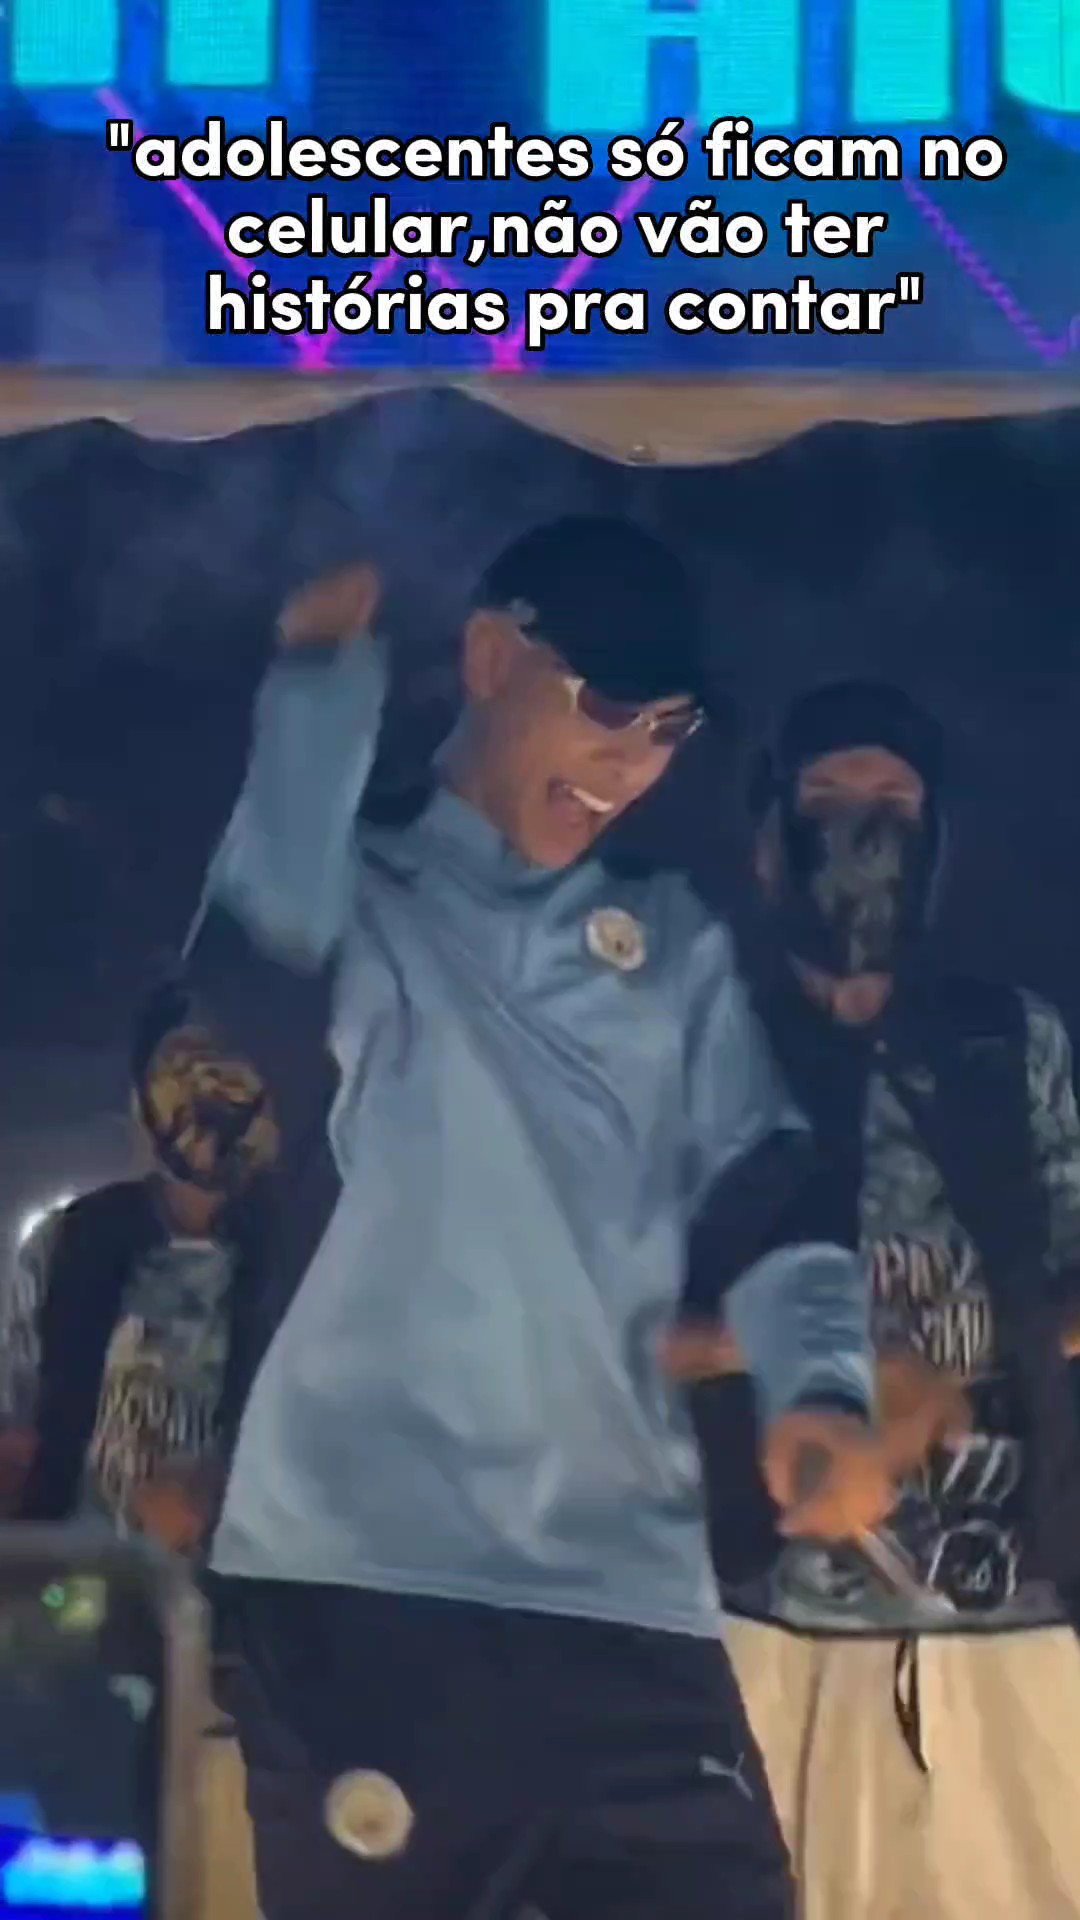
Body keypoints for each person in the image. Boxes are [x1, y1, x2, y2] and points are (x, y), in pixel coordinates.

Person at [191, 517, 896, 1920]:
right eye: (605, 707)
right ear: (490, 658)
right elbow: (244, 1000)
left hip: (626, 1600)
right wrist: (317, 699)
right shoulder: (361, 897)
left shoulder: (675, 946)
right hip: (363, 1594)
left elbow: (774, 1202)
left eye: (669, 727)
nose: (631, 759)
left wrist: (821, 1392)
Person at [673, 680, 1080, 1920]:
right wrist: (817, 1381)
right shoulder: (693, 1043)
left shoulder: (1008, 1042)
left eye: (893, 805)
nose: (862, 836)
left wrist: (967, 1373)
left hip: (1014, 1615)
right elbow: (597, 1327)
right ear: (768, 840)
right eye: (829, 801)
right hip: (764, 1620)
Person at [0, 982, 281, 1544]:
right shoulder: (70, 1242)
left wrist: (224, 1495)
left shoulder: (292, 1260)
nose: (209, 1094)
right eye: (188, 1070)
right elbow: (17, 1426)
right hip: (75, 1572)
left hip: (229, 1583)